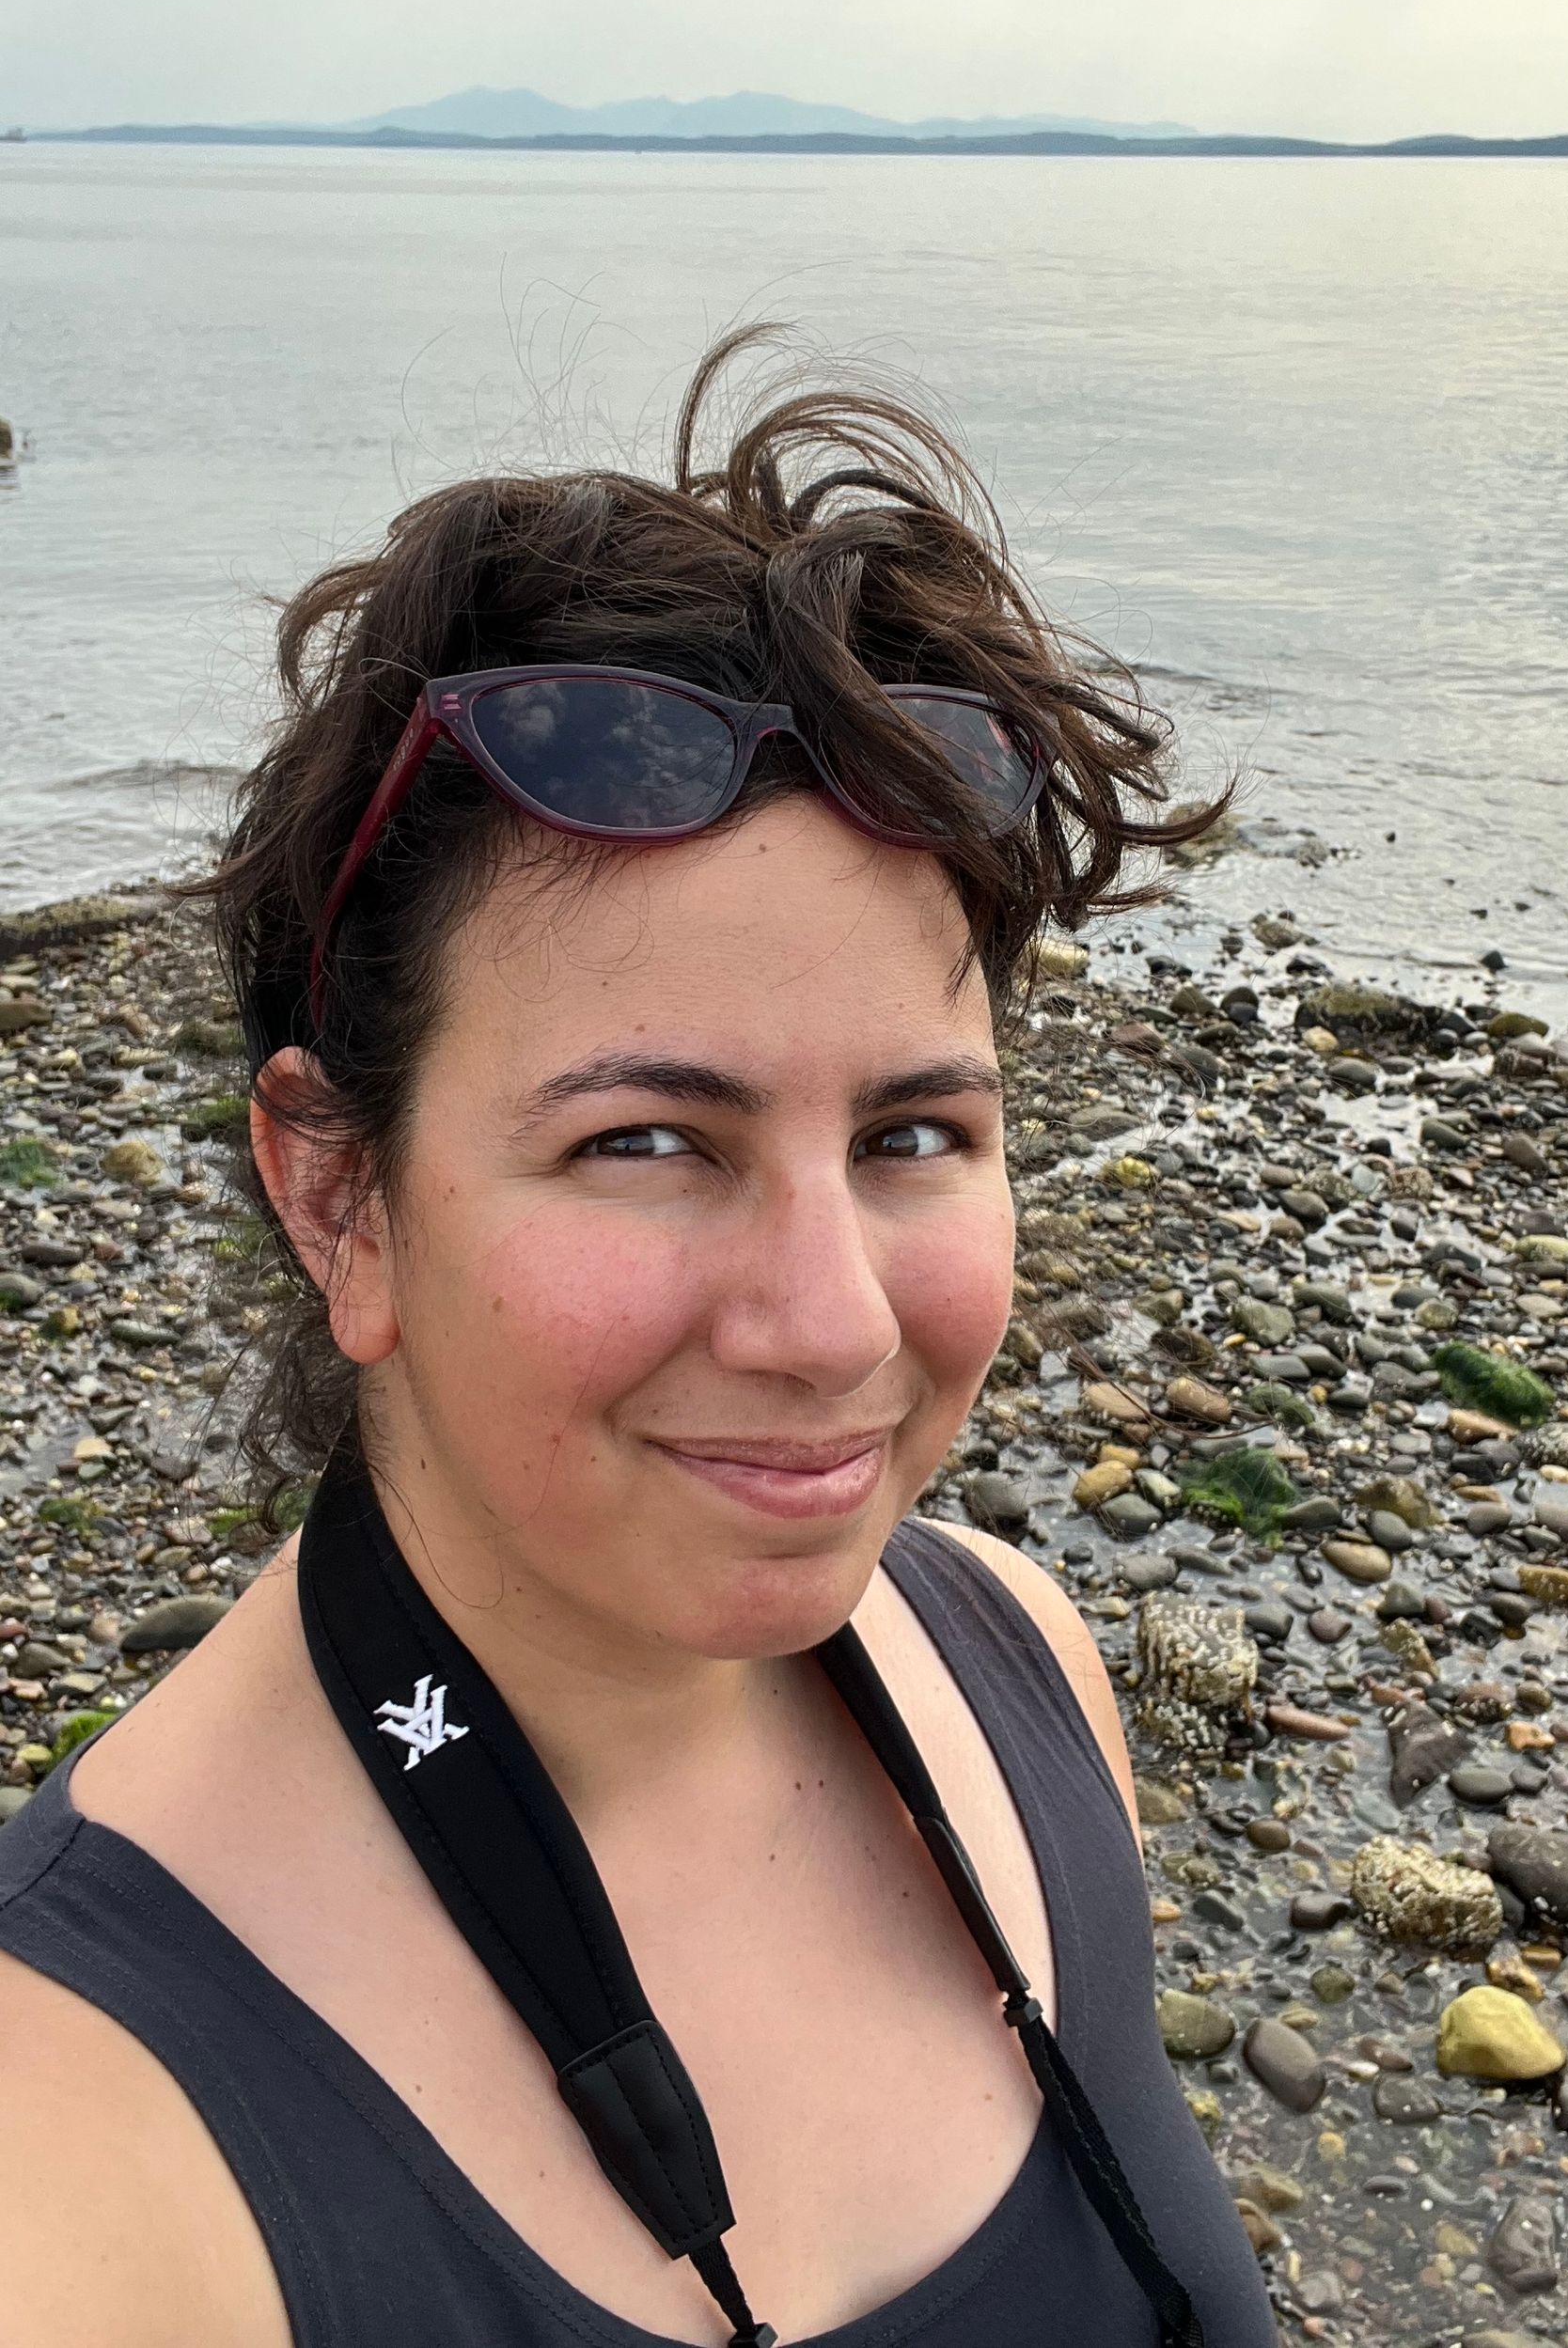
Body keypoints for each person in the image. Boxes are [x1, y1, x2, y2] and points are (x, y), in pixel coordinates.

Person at [0, 336, 1277, 2348]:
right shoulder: (85, 2136)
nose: (833, 1317)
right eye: (649, 1140)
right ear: (339, 1197)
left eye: (911, 1130)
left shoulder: (1019, 1674)